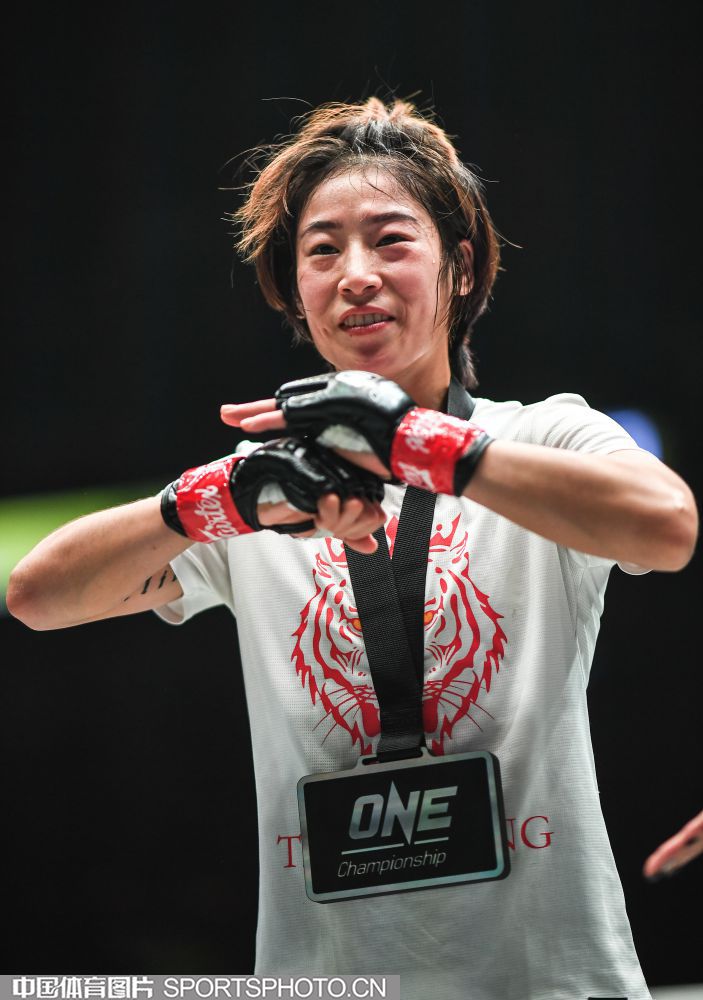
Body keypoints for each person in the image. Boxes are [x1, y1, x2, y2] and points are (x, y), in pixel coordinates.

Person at [8, 97, 698, 1000]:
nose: (356, 274)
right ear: (294, 290)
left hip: (550, 981)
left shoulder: (540, 438)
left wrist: (417, 444)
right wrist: (211, 500)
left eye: (391, 240)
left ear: (459, 268)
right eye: (323, 250)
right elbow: (37, 596)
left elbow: (667, 526)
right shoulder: (264, 493)